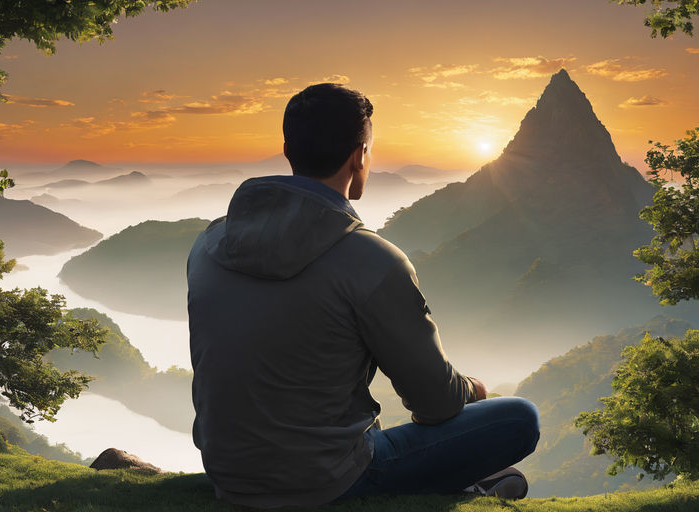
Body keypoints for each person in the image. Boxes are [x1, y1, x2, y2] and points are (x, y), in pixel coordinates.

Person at [186, 83, 540, 508]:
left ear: (287, 149)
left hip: (229, 472)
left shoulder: (209, 245)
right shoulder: (370, 259)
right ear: (359, 155)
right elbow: (436, 405)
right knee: (519, 419)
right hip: (325, 482)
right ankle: (457, 487)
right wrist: (475, 389)